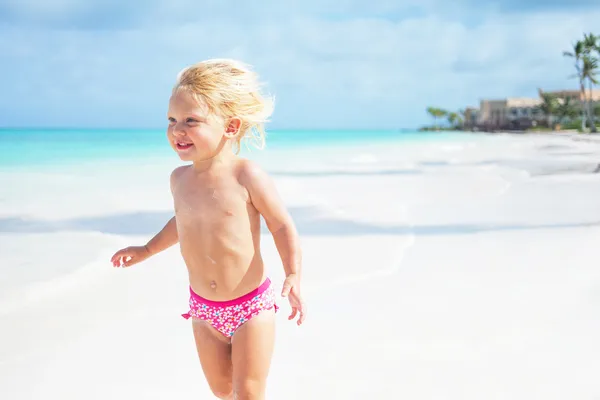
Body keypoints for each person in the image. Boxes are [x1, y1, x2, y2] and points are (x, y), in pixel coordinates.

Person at [110, 59, 306, 400]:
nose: (177, 130)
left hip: (250, 306)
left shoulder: (246, 175)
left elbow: (280, 224)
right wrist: (147, 250)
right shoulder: (179, 179)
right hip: (203, 308)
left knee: (248, 393)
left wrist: (293, 273)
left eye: (190, 121)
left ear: (230, 126)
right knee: (221, 391)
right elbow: (183, 223)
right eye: (171, 120)